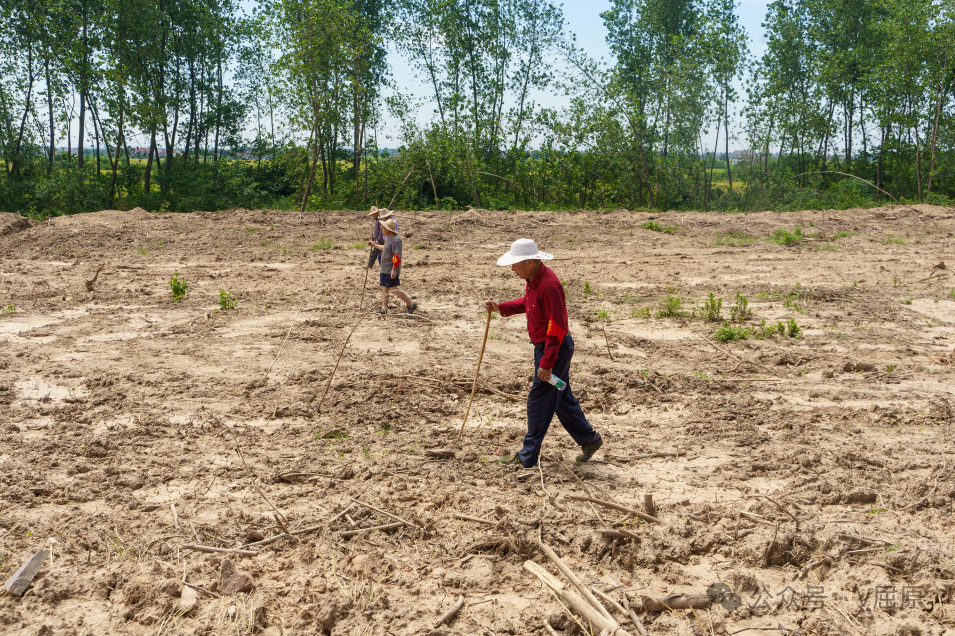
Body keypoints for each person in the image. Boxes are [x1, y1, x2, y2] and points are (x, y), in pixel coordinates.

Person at [484, 238, 602, 468]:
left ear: (529, 262)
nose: (512, 269)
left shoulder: (548, 285)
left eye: (515, 264)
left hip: (554, 352)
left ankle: (527, 456)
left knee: (537, 401)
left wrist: (547, 363)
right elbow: (529, 304)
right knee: (561, 398)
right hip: (549, 351)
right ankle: (590, 440)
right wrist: (502, 307)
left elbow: (556, 327)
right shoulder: (533, 280)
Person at [370, 217, 417, 315]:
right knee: (384, 287)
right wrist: (374, 245)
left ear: (388, 229)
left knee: (393, 289)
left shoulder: (396, 240)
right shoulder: (389, 239)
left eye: (383, 228)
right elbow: (386, 248)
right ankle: (384, 309)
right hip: (384, 269)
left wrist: (394, 269)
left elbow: (397, 255)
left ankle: (411, 305)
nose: (381, 229)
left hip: (390, 269)